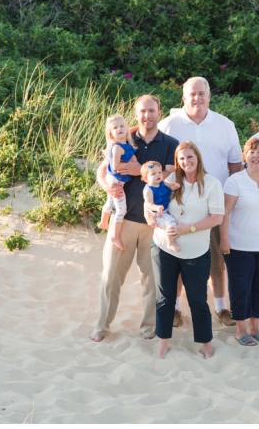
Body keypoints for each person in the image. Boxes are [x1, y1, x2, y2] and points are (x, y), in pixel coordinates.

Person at [90, 95, 179, 342]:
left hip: (154, 225)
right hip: (125, 221)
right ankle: (101, 327)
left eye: (151, 110)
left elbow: (171, 178)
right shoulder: (126, 138)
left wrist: (139, 172)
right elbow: (103, 168)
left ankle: (149, 330)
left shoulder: (171, 143)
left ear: (159, 113)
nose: (147, 115)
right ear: (136, 113)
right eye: (142, 111)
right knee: (111, 277)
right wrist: (106, 187)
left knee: (152, 281)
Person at [159, 77, 243, 327]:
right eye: (192, 94)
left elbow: (236, 165)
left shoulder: (225, 125)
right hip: (179, 203)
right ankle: (174, 308)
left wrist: (232, 203)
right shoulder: (169, 124)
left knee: (217, 260)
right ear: (183, 97)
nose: (197, 98)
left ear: (209, 96)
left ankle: (221, 307)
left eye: (201, 94)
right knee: (179, 256)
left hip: (215, 204)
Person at [150, 141, 225, 360]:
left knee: (198, 300)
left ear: (198, 158)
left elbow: (217, 218)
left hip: (196, 251)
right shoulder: (171, 181)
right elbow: (153, 201)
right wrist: (152, 215)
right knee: (165, 298)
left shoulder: (212, 184)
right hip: (164, 247)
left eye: (190, 157)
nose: (186, 162)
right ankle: (163, 343)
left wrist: (188, 228)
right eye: (181, 159)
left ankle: (207, 345)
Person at [219, 137, 259, 346]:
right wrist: (224, 239)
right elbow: (225, 213)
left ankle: (255, 328)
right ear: (244, 157)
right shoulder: (235, 181)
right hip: (238, 245)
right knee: (240, 287)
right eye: (251, 152)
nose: (256, 156)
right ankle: (241, 330)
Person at [100, 113, 137, 251]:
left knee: (110, 202)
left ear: (127, 129)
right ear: (111, 134)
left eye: (122, 126)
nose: (119, 129)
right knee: (121, 209)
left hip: (118, 179)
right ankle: (114, 235)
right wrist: (129, 167)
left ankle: (103, 222)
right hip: (115, 180)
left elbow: (135, 161)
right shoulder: (116, 147)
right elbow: (115, 166)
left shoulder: (127, 145)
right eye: (115, 127)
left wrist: (137, 165)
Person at [142, 160, 181, 252]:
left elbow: (170, 187)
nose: (158, 175)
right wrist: (156, 207)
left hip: (165, 210)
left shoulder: (162, 183)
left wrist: (175, 186)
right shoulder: (148, 190)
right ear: (145, 178)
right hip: (158, 214)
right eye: (153, 174)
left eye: (159, 172)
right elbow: (148, 203)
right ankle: (170, 243)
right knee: (171, 224)